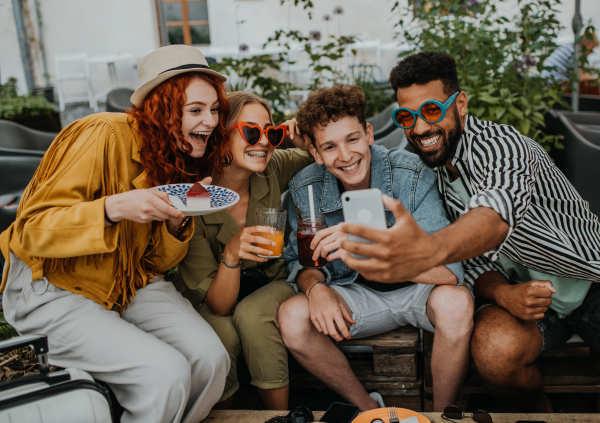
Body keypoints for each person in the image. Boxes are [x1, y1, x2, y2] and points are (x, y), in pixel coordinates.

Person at [340, 51, 600, 411]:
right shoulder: (429, 171)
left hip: (589, 282)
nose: (418, 128)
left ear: (459, 104)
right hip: (525, 301)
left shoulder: (502, 147)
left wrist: (426, 250)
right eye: (406, 117)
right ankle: (546, 413)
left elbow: (493, 216)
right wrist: (503, 293)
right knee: (493, 352)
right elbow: (475, 264)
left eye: (431, 111)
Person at [0, 45, 232, 423]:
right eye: (195, 110)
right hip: (56, 286)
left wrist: (175, 223)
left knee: (211, 359)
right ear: (162, 110)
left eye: (214, 109)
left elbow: (156, 263)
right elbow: (32, 231)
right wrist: (113, 208)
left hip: (127, 281)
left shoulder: (173, 155)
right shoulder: (99, 133)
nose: (210, 121)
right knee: (163, 374)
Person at [277, 84, 471, 412]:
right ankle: (370, 410)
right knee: (292, 316)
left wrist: (377, 250)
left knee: (457, 303)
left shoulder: (411, 174)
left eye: (352, 139)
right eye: (330, 147)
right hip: (357, 296)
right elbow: (302, 265)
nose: (346, 156)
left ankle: (440, 417)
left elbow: (450, 273)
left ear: (368, 134)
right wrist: (315, 289)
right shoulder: (306, 188)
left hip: (420, 292)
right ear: (316, 154)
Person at [178, 91, 312, 410]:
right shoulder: (194, 195)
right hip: (220, 291)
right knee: (219, 328)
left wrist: (303, 138)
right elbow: (220, 305)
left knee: (252, 315)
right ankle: (227, 415)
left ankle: (278, 416)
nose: (264, 141)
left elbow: (317, 154)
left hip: (272, 282)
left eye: (272, 132)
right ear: (221, 136)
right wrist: (232, 253)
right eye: (252, 131)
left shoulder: (272, 166)